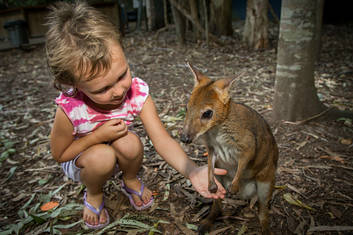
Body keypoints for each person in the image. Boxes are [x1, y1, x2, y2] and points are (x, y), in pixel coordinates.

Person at [46, 1, 226, 229]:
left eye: (122, 75)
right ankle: (94, 193)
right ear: (73, 83)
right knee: (102, 157)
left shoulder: (136, 93)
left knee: (131, 142)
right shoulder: (70, 108)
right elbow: (60, 154)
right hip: (84, 158)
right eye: (102, 89)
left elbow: (161, 139)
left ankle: (130, 179)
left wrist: (192, 170)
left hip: (119, 147)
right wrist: (97, 136)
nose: (119, 91)